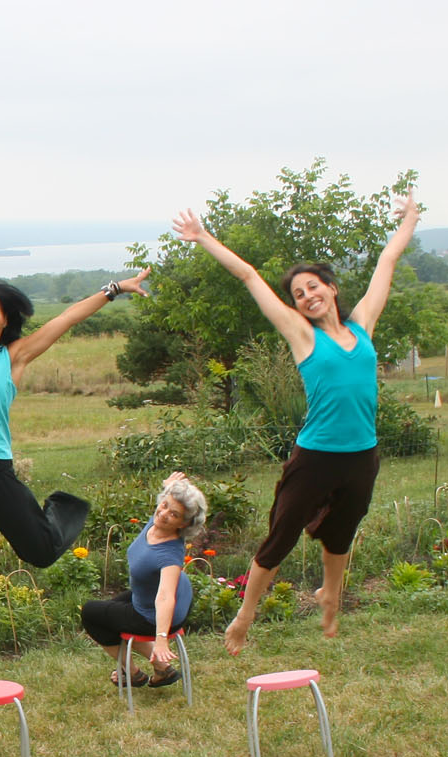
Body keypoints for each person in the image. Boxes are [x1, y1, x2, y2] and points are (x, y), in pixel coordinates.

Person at [173, 191, 420, 653]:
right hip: (317, 456)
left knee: (343, 532)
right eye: (298, 293)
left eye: (313, 287)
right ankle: (244, 616)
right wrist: (204, 237)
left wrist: (409, 218)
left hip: (362, 454)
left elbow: (387, 259)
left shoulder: (363, 326)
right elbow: (249, 276)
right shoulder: (301, 335)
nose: (306, 296)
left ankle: (331, 595)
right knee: (281, 535)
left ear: (332, 289)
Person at [0, 192, 148, 576]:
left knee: (40, 552)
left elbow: (66, 319)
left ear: (5, 320)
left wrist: (114, 289)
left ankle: (58, 510)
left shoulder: (14, 357)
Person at [81, 472, 206, 688]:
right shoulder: (159, 522)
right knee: (109, 610)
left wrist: (160, 637)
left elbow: (165, 596)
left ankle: (132, 674)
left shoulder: (169, 555)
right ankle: (162, 669)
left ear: (183, 525)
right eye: (164, 504)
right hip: (152, 595)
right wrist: (170, 486)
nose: (164, 513)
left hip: (159, 613)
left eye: (174, 514)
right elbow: (173, 503)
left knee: (90, 614)